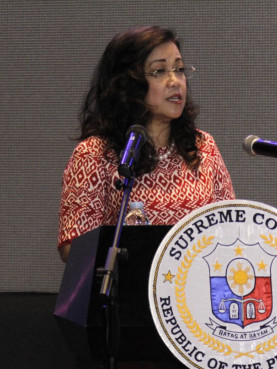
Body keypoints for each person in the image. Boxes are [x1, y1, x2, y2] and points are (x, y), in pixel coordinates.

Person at [58, 27, 235, 262]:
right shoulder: (95, 154)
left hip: (194, 284)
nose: (175, 81)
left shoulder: (202, 147)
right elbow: (74, 246)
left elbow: (231, 230)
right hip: (130, 284)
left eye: (179, 69)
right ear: (128, 83)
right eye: (159, 71)